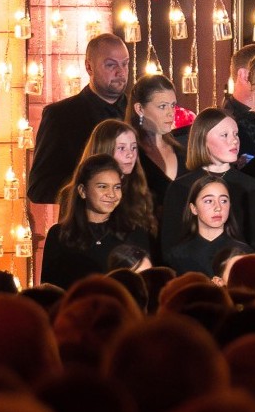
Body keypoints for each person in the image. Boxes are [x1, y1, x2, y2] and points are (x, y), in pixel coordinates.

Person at [28, 34, 130, 260]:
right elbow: (38, 187)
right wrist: (88, 187)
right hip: (81, 239)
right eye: (111, 65)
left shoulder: (140, 113)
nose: (121, 72)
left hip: (132, 236)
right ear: (89, 67)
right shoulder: (61, 115)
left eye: (125, 63)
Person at [162, 107, 255, 256]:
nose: (234, 141)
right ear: (203, 139)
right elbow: (170, 246)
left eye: (236, 134)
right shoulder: (180, 187)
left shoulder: (251, 186)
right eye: (224, 135)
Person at [41, 154, 155, 288]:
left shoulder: (135, 232)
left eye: (117, 187)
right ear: (83, 191)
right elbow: (49, 291)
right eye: (103, 187)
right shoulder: (59, 234)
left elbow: (146, 287)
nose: (112, 194)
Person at [79, 119, 158, 241]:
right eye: (121, 148)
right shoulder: (79, 192)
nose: (130, 155)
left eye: (133, 148)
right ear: (104, 149)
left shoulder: (140, 190)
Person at [162, 177, 247, 276]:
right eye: (209, 201)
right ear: (194, 208)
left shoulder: (244, 254)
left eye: (224, 201)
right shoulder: (176, 256)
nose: (218, 208)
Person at [127, 74, 184, 206]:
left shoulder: (182, 151)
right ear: (140, 109)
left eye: (173, 105)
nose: (171, 113)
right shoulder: (129, 154)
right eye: (163, 106)